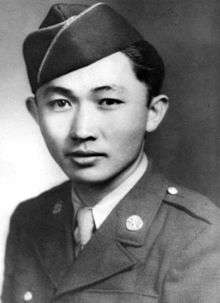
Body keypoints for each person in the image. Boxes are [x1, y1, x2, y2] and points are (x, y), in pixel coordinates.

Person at [2, 2, 220, 303]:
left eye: (108, 102)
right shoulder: (30, 220)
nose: (82, 130)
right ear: (36, 113)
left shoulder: (199, 237)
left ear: (153, 112)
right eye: (61, 104)